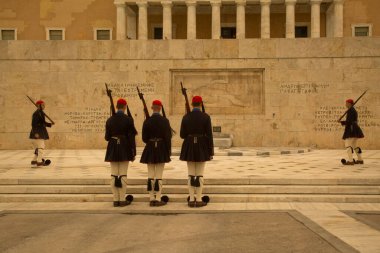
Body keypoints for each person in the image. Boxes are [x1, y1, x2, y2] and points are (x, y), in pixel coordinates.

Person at [180, 96, 214, 208]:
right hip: (202, 146)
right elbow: (209, 135)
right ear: (201, 104)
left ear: (192, 104)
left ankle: (191, 199)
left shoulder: (186, 117)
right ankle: (199, 199)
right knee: (199, 174)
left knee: (190, 174)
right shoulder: (206, 117)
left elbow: (182, 135)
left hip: (189, 145)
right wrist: (210, 152)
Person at [105, 98, 137, 207]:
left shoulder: (110, 120)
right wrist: (133, 152)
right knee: (123, 174)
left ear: (116, 106)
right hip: (124, 146)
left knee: (114, 174)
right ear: (124, 107)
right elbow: (131, 137)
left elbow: (107, 137)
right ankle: (122, 199)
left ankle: (115, 199)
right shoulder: (128, 120)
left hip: (113, 146)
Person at [140, 100, 172, 207]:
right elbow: (168, 138)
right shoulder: (165, 121)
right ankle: (158, 198)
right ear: (161, 107)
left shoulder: (147, 121)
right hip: (161, 148)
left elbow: (144, 138)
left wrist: (151, 142)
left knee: (150, 175)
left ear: (152, 108)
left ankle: (151, 198)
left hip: (150, 148)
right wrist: (168, 151)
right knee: (159, 175)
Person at [340, 99, 364, 165]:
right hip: (355, 129)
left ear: (349, 104)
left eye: (346, 103)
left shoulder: (351, 111)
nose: (345, 105)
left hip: (351, 130)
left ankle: (350, 161)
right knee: (355, 146)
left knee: (348, 145)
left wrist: (342, 122)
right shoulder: (353, 110)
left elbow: (349, 122)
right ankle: (360, 159)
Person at [29, 100, 53, 166]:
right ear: (38, 105)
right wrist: (36, 133)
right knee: (41, 147)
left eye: (44, 105)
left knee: (38, 147)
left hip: (40, 131)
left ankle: (34, 160)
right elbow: (33, 124)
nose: (44, 106)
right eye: (42, 105)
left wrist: (50, 124)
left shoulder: (40, 113)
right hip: (38, 133)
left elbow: (43, 122)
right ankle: (39, 161)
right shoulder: (36, 113)